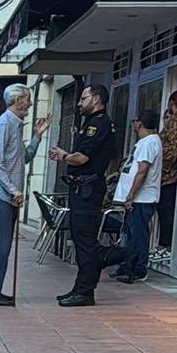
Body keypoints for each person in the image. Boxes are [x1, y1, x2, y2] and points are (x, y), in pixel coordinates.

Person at [0, 84, 51, 306]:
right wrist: (14, 189)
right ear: (17, 100)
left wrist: (37, 137)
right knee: (0, 246)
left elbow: (23, 158)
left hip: (6, 195)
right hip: (0, 194)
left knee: (3, 246)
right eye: (27, 99)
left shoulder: (15, 126)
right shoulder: (4, 124)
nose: (30, 103)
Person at [50, 84, 116, 307]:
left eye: (83, 98)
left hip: (88, 190)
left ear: (96, 99)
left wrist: (63, 156)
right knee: (81, 240)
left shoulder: (98, 124)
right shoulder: (91, 123)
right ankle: (81, 287)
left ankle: (87, 289)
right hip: (82, 189)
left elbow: (82, 158)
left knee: (86, 242)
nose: (78, 103)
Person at [107, 110, 162, 284]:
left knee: (138, 234)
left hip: (141, 198)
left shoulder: (149, 142)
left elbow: (142, 171)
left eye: (135, 121)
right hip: (136, 199)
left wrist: (131, 195)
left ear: (139, 123)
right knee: (130, 234)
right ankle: (127, 265)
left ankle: (138, 269)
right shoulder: (145, 142)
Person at [153, 90, 177, 264]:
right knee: (165, 212)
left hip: (168, 177)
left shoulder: (175, 123)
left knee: (166, 212)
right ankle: (163, 246)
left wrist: (160, 164)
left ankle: (165, 247)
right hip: (168, 176)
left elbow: (173, 150)